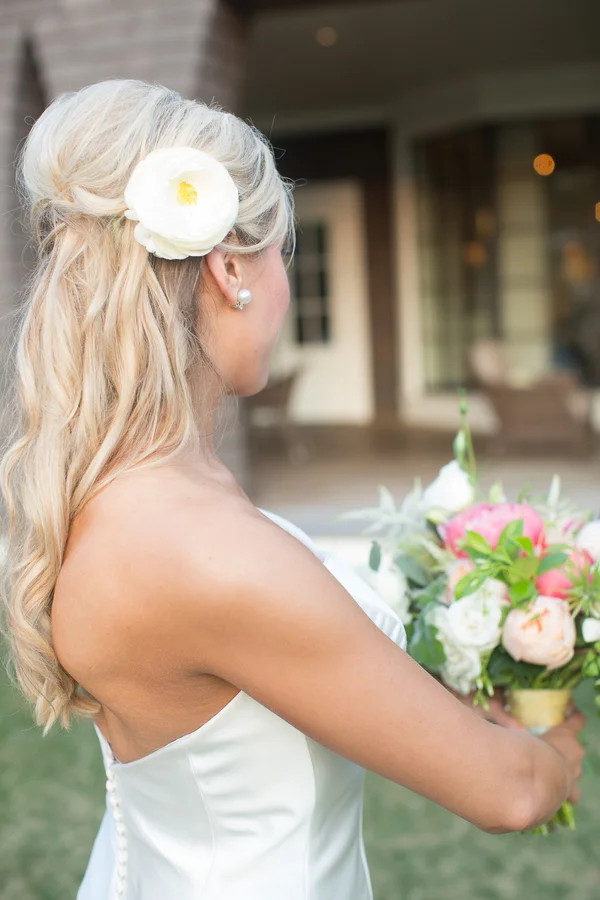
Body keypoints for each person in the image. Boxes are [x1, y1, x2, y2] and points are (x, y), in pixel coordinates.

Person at [0, 80, 585, 900]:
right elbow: (509, 792)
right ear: (231, 266)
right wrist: (553, 744)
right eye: (286, 252)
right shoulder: (203, 546)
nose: (281, 286)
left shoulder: (124, 493)